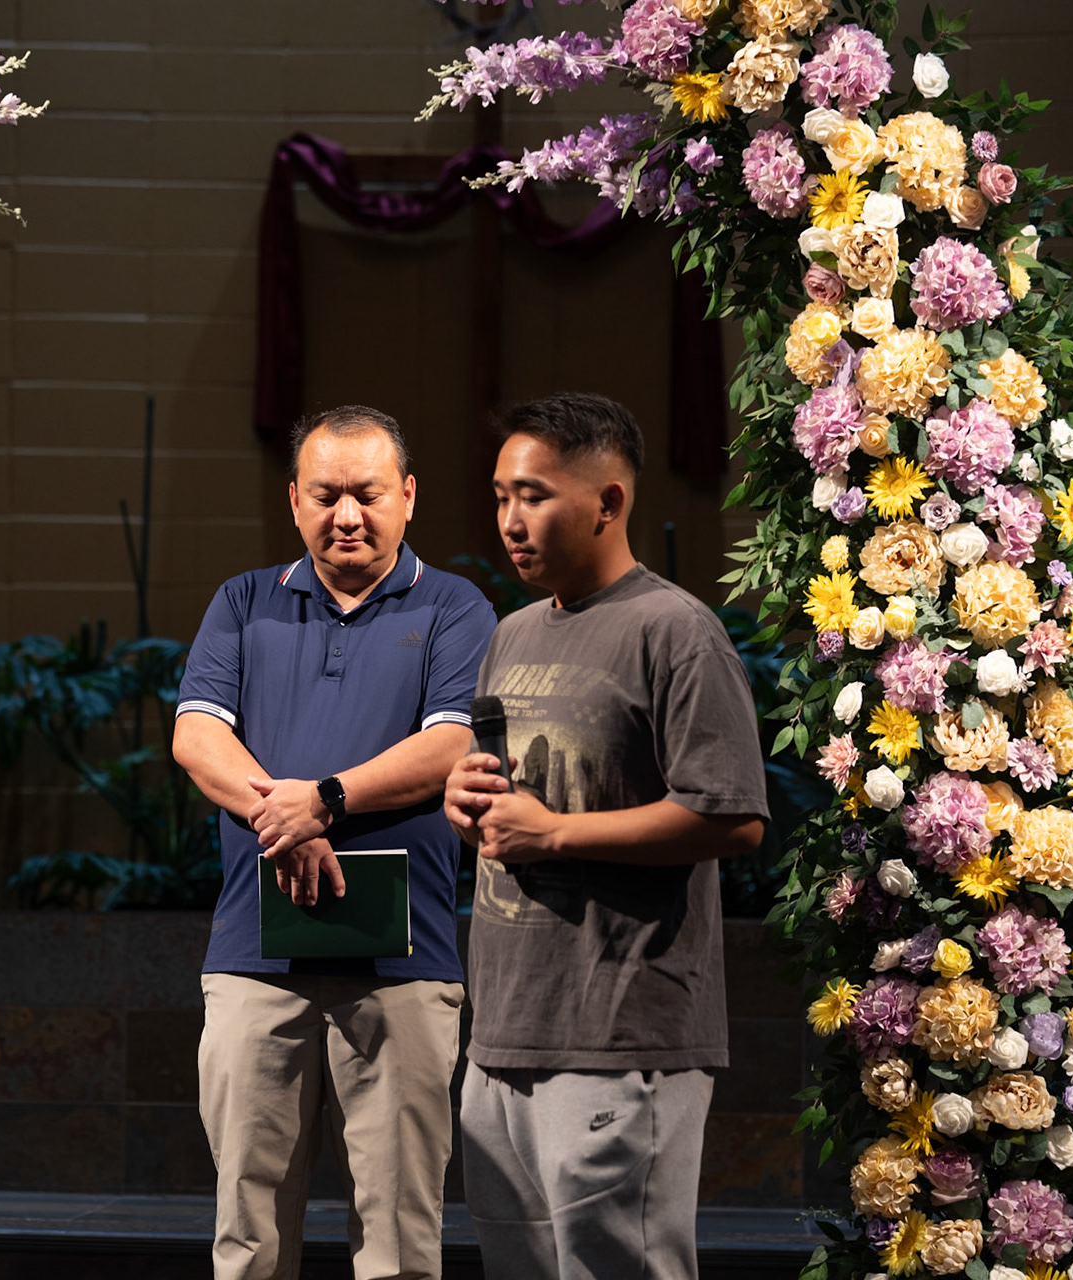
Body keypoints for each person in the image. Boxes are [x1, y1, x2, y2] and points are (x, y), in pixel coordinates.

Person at [443, 393, 768, 1280]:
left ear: (609, 502)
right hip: (505, 1031)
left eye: (534, 496)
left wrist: (557, 834)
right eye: (501, 496)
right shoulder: (512, 634)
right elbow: (509, 799)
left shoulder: (676, 631)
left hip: (622, 1035)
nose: (510, 520)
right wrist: (465, 799)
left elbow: (732, 816)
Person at [173, 406, 496, 1280]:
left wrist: (323, 801)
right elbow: (197, 737)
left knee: (399, 1237)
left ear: (409, 496)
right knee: (248, 1235)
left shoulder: (455, 606)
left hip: (403, 961)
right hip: (256, 957)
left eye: (368, 494)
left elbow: (451, 744)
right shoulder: (244, 601)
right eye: (325, 496)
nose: (347, 515)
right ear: (294, 501)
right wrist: (286, 823)